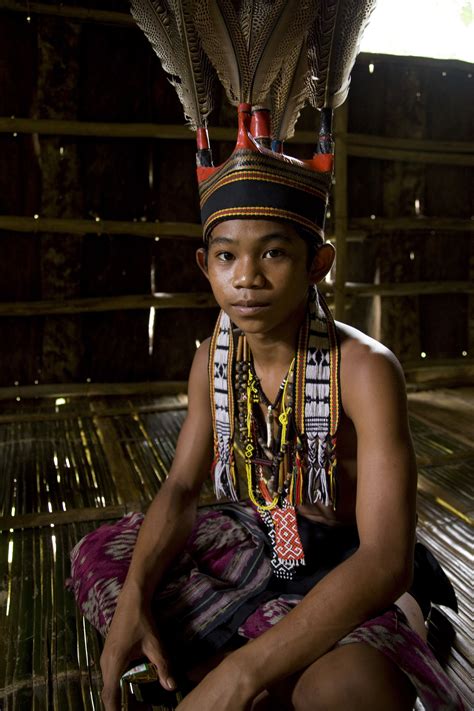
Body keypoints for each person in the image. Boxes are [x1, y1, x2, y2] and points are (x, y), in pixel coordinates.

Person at [67, 3, 464, 710]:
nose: (246, 277)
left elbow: (383, 556)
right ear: (204, 266)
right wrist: (133, 600)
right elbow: (185, 489)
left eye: (274, 252)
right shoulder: (214, 360)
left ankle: (330, 641)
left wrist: (241, 672)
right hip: (267, 539)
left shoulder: (365, 372)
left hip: (351, 563)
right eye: (227, 256)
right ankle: (244, 641)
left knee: (350, 689)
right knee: (105, 558)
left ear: (318, 265)